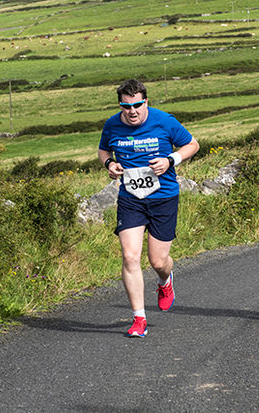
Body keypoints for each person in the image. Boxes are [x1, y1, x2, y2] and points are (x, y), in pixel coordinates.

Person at [98, 79, 200, 338]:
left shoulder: (164, 121)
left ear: (146, 102)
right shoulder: (112, 124)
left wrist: (170, 160)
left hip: (164, 197)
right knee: (130, 256)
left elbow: (192, 145)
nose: (132, 111)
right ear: (120, 105)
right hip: (131, 197)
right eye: (126, 106)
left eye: (137, 105)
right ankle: (138, 318)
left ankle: (165, 281)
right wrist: (109, 164)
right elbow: (102, 150)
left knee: (157, 261)